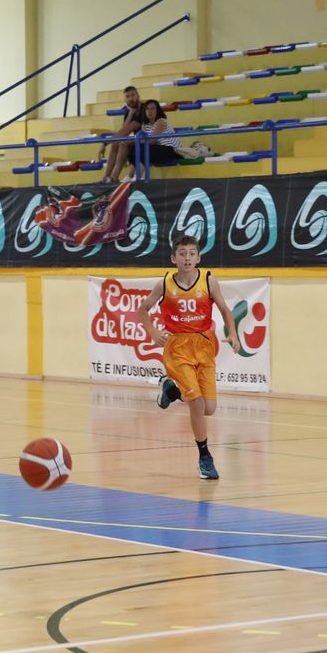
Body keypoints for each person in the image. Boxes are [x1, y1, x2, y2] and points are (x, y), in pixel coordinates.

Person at [139, 234, 242, 480]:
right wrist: (153, 331)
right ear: (173, 258)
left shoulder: (208, 281)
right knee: (195, 404)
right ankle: (205, 458)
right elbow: (143, 309)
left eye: (191, 253)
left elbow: (225, 310)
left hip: (204, 344)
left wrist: (234, 334)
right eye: (182, 253)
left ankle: (171, 389)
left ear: (199, 257)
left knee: (209, 408)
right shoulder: (164, 284)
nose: (187, 258)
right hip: (177, 346)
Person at [99, 85, 147, 182]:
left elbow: (125, 131)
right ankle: (107, 177)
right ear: (125, 100)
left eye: (133, 95)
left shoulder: (144, 110)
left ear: (138, 96)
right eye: (127, 97)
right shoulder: (130, 112)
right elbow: (123, 131)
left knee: (122, 143)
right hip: (137, 140)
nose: (131, 99)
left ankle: (114, 177)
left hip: (149, 140)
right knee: (116, 143)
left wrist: (104, 143)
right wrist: (130, 113)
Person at [139, 99, 184, 170]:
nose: (149, 111)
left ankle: (135, 178)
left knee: (142, 150)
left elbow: (152, 140)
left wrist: (135, 141)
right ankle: (132, 177)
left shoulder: (161, 121)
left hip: (172, 150)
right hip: (158, 149)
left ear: (157, 110)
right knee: (136, 151)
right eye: (147, 109)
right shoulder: (145, 125)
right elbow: (146, 141)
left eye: (152, 108)